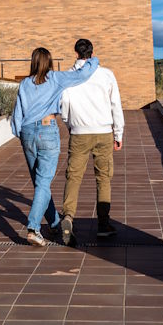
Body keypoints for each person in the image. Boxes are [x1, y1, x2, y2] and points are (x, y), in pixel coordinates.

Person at [10, 46, 98, 246]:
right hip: (47, 129)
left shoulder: (24, 83)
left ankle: (55, 223)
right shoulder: (56, 78)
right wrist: (94, 60)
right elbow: (82, 75)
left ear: (33, 62)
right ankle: (33, 227)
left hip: (26, 132)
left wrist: (20, 134)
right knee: (43, 182)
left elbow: (17, 113)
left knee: (40, 183)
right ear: (49, 62)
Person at [58, 38, 124, 245]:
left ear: (76, 54)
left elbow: (64, 106)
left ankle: (68, 217)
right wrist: (118, 134)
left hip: (79, 133)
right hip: (103, 132)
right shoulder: (106, 74)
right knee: (103, 178)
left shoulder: (68, 76)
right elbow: (116, 105)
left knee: (73, 177)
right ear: (92, 53)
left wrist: (72, 126)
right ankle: (103, 224)